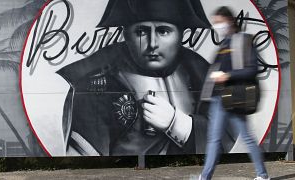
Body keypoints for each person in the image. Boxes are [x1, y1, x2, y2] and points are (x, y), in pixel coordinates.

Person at [57, 0, 235, 156]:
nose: (152, 44)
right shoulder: (94, 86)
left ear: (181, 35)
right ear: (125, 34)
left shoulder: (201, 73)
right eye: (142, 31)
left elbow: (225, 137)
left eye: (163, 31)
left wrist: (176, 123)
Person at [199, 6, 270, 180]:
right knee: (214, 139)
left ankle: (262, 175)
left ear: (229, 20)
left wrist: (228, 75)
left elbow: (252, 69)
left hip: (235, 98)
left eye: (219, 22)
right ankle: (205, 177)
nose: (217, 26)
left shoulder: (243, 41)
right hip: (218, 98)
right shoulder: (223, 44)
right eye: (215, 23)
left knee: (245, 137)